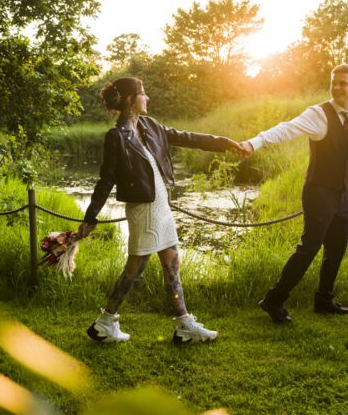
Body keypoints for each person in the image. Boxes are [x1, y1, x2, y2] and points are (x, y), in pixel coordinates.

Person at [78, 77, 246, 344]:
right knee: (135, 267)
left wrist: (225, 142)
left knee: (171, 265)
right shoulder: (116, 137)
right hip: (143, 209)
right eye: (143, 94)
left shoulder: (149, 125)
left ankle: (182, 325)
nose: (147, 98)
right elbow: (106, 179)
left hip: (161, 206)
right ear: (131, 100)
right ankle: (105, 323)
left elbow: (187, 137)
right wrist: (91, 216)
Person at [239, 64, 348, 324]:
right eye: (334, 82)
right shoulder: (318, 114)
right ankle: (274, 299)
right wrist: (255, 142)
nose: (338, 87)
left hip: (342, 195)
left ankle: (324, 300)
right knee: (309, 248)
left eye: (344, 83)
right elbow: (286, 128)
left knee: (337, 248)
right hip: (318, 192)